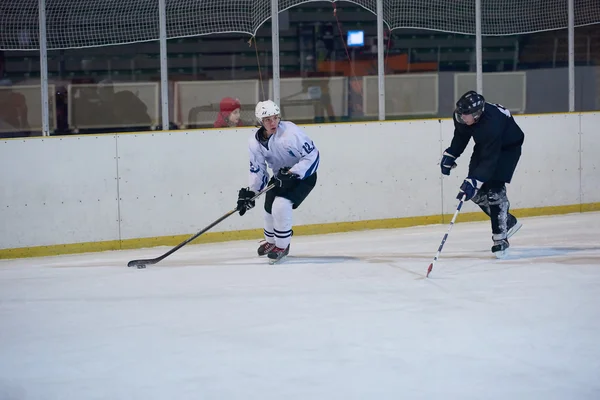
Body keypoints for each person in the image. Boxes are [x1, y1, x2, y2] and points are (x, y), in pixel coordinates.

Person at [440, 90, 525, 257]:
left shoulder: (491, 124)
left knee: (494, 190)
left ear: (477, 114)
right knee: (471, 192)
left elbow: (490, 161)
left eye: (465, 115)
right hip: (486, 145)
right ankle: (507, 221)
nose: (461, 117)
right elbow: (461, 136)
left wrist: (475, 179)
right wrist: (451, 154)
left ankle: (500, 238)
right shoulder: (463, 116)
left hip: (507, 148)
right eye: (460, 113)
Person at [236, 100, 320, 264]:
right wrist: (252, 192)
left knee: (281, 205)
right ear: (260, 122)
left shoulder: (291, 132)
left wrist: (294, 172)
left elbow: (313, 156)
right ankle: (271, 241)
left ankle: (282, 245)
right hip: (280, 177)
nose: (273, 122)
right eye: (268, 119)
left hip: (303, 176)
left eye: (275, 117)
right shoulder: (254, 142)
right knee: (268, 208)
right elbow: (257, 169)